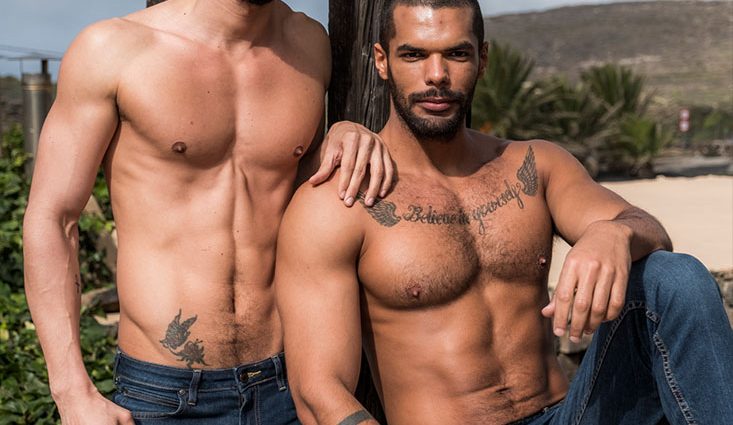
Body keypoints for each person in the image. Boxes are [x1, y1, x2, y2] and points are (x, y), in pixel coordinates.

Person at [274, 1, 733, 424]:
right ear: (382, 61)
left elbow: (648, 229)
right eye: (414, 55)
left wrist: (614, 234)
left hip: (563, 415)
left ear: (483, 59)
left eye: (457, 54)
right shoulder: (340, 201)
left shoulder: (535, 165)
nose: (437, 75)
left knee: (675, 276)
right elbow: (319, 391)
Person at [22, 1, 396, 424]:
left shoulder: (309, 46)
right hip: (165, 397)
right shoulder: (114, 49)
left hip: (288, 383)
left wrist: (341, 135)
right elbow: (53, 218)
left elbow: (294, 185)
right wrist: (71, 391)